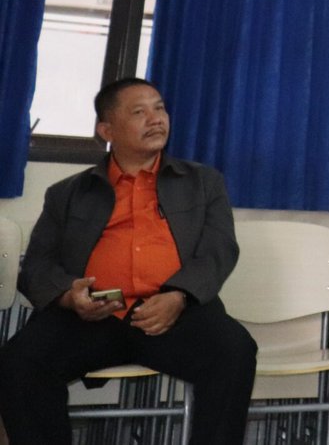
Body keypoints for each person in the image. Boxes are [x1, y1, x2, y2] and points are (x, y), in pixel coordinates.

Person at [0, 78, 257, 444]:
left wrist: (179, 295)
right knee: (20, 361)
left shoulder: (203, 182)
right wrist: (70, 296)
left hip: (174, 312)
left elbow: (219, 250)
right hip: (94, 316)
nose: (156, 119)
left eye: (159, 108)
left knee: (234, 350)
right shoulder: (67, 193)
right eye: (139, 112)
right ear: (107, 130)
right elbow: (38, 265)